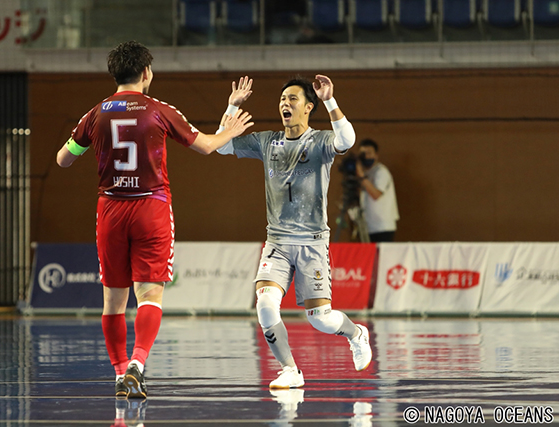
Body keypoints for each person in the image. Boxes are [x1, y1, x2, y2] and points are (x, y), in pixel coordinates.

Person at [56, 41, 253, 399]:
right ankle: (138, 363)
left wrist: (83, 145)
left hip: (111, 209)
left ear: (114, 73)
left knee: (113, 302)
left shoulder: (95, 114)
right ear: (146, 73)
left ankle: (120, 374)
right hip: (150, 208)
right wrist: (231, 130)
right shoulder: (159, 110)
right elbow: (206, 146)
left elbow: (62, 160)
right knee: (149, 294)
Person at [216, 75, 372, 388]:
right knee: (265, 304)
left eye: (292, 99)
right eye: (282, 99)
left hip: (312, 242)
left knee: (321, 319)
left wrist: (330, 100)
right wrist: (232, 106)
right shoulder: (267, 141)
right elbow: (221, 146)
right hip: (277, 241)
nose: (285, 104)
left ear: (308, 107)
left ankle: (357, 334)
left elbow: (347, 140)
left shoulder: (320, 142)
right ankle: (290, 370)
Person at [356, 138, 399, 242]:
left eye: (369, 153)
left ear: (376, 155)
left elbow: (376, 195)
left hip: (382, 227)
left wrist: (361, 177)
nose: (366, 157)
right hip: (368, 226)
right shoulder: (366, 173)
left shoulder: (381, 172)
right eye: (363, 154)